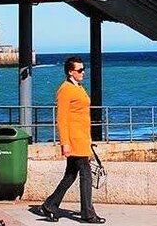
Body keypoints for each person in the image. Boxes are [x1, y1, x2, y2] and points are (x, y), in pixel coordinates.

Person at [38, 56, 104, 223]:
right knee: (86, 175)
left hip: (82, 138)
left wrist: (89, 139)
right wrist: (65, 143)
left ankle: (49, 205)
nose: (83, 72)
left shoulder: (79, 87)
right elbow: (62, 118)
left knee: (70, 175)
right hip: (74, 139)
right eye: (80, 70)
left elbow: (83, 117)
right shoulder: (65, 89)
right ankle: (87, 213)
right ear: (70, 72)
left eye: (83, 69)